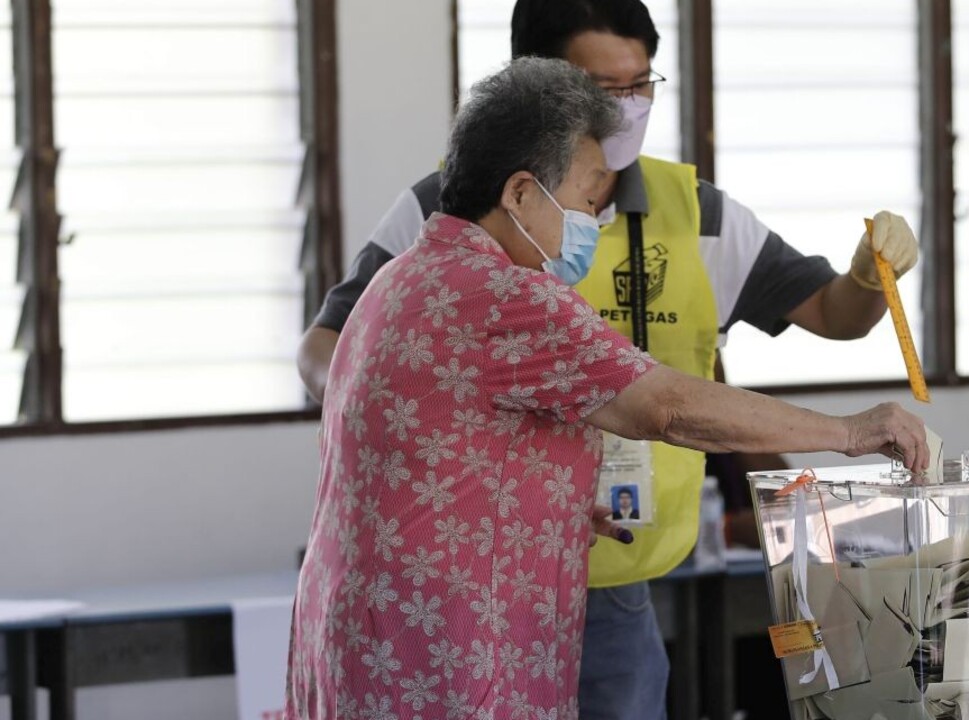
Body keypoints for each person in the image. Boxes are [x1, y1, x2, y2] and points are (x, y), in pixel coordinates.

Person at [295, 1, 923, 716]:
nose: (596, 215)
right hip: (456, 639)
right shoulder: (507, 291)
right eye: (586, 194)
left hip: (382, 621)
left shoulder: (408, 273)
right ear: (523, 191)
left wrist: (535, 494)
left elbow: (445, 424)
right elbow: (666, 407)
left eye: (638, 85)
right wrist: (849, 432)